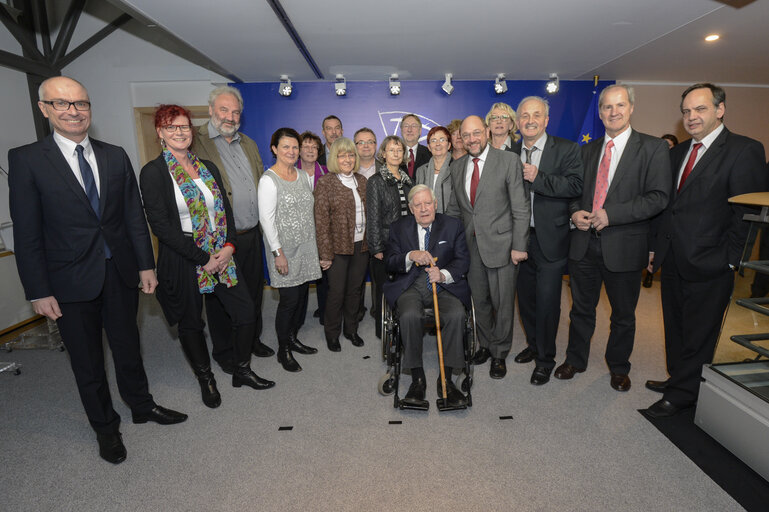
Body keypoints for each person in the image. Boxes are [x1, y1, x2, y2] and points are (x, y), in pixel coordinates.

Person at [8, 76, 186, 465]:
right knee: (87, 362)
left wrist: (145, 265)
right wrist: (38, 290)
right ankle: (106, 429)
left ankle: (141, 406)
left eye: (81, 104)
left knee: (128, 348)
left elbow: (132, 217)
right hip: (67, 281)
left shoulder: (113, 154)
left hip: (119, 273)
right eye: (62, 104)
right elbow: (27, 233)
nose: (74, 111)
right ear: (45, 109)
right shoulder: (26, 160)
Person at [645, 83, 767, 418]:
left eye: (699, 109)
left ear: (720, 109)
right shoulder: (676, 153)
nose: (691, 117)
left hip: (711, 262)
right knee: (676, 325)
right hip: (672, 258)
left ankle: (684, 393)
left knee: (700, 331)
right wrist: (656, 249)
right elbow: (667, 207)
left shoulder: (745, 150)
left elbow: (747, 214)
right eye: (686, 111)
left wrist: (730, 261)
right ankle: (679, 379)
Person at [140, 104, 274, 409]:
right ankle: (206, 378)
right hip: (183, 257)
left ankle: (241, 369)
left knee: (244, 312)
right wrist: (203, 258)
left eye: (184, 127)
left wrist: (228, 247)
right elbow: (161, 226)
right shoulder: (153, 173)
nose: (179, 133)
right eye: (171, 127)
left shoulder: (207, 168)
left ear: (192, 131)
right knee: (191, 323)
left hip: (221, 254)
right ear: (160, 133)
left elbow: (224, 211)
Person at [557, 84, 671, 391]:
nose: (613, 112)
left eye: (620, 105)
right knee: (581, 309)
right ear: (600, 112)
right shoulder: (586, 150)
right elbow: (573, 193)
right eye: (607, 107)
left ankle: (619, 367)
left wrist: (613, 215)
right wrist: (574, 213)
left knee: (623, 314)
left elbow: (659, 197)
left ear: (631, 108)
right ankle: (575, 360)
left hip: (625, 246)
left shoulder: (653, 148)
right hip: (584, 245)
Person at [192, 85, 272, 373]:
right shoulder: (196, 140)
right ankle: (225, 350)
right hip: (220, 237)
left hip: (251, 232)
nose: (230, 116)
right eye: (224, 110)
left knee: (253, 290)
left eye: (235, 111)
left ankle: (251, 341)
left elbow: (260, 179)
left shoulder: (247, 143)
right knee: (220, 297)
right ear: (211, 110)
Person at [446, 115, 530, 379]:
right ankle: (485, 344)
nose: (471, 140)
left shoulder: (508, 161)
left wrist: (519, 246)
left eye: (476, 133)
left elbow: (520, 207)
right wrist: (446, 246)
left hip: (503, 247)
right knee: (479, 301)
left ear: (486, 132)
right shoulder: (458, 166)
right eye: (466, 135)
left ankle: (500, 353)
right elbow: (454, 210)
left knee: (503, 302)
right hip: (471, 249)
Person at [511, 96, 584, 385]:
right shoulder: (510, 151)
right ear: (518, 122)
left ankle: (545, 359)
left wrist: (539, 177)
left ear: (546, 120)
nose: (530, 120)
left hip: (551, 239)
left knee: (548, 302)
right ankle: (532, 344)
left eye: (536, 115)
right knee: (526, 299)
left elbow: (576, 186)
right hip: (519, 238)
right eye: (525, 115)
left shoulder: (566, 149)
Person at [383, 185, 471, 408]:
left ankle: (447, 378)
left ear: (436, 205)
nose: (424, 209)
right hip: (410, 285)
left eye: (427, 203)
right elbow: (390, 261)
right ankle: (417, 377)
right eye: (418, 205)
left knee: (456, 313)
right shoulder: (398, 228)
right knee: (410, 315)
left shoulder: (453, 226)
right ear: (411, 209)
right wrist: (410, 255)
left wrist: (442, 275)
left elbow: (463, 261)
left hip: (443, 286)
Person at [259, 128, 322, 372]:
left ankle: (294, 338)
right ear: (274, 149)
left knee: (303, 297)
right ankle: (283, 349)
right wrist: (278, 253)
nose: (291, 151)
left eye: (294, 147)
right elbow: (267, 220)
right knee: (289, 301)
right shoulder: (268, 180)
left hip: (307, 247)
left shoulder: (302, 175)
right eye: (285, 147)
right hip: (284, 251)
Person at [314, 137, 369, 350]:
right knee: (336, 292)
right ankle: (332, 333)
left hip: (361, 247)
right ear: (334, 158)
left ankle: (351, 330)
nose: (347, 159)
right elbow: (321, 221)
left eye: (351, 154)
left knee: (355, 291)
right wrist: (325, 254)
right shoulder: (326, 183)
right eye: (342, 155)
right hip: (337, 248)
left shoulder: (361, 181)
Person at [366, 135, 413, 337]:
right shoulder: (375, 181)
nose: (395, 153)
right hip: (385, 245)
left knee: (404, 287)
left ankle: (403, 326)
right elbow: (373, 216)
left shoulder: (409, 180)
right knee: (383, 289)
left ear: (404, 155)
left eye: (399, 150)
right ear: (383, 154)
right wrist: (376, 247)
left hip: (406, 245)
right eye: (391, 150)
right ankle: (382, 330)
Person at [297, 131, 329, 324]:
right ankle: (298, 319)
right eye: (305, 146)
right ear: (299, 150)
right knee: (300, 278)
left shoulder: (326, 172)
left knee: (324, 276)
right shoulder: (290, 172)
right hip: (299, 234)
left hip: (322, 232)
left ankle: (325, 313)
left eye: (314, 147)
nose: (310, 150)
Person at [354, 127, 379, 320]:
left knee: (379, 275)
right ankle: (357, 310)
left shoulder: (385, 168)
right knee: (357, 276)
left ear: (376, 145)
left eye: (370, 141)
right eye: (361, 142)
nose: (365, 146)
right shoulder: (347, 169)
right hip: (357, 232)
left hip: (379, 231)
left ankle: (379, 310)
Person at [415, 125, 454, 213]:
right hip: (425, 219)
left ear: (449, 145)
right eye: (433, 140)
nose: (438, 144)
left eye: (442, 140)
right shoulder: (421, 171)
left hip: (452, 221)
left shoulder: (457, 168)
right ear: (429, 147)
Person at [400, 113, 431, 179]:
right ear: (401, 130)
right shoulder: (393, 154)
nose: (409, 130)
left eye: (414, 126)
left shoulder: (429, 154)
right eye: (406, 126)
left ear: (420, 131)